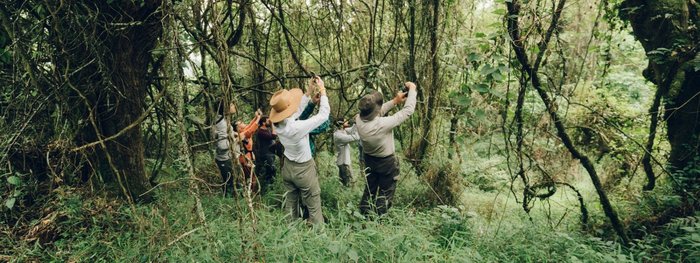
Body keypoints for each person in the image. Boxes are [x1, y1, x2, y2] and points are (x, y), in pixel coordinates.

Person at [269, 76, 330, 225]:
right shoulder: (296, 127)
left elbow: (295, 112)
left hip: (288, 168)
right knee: (314, 205)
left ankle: (291, 232)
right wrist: (323, 91)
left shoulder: (279, 125)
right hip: (304, 170)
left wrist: (309, 92)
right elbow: (323, 116)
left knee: (291, 206)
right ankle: (318, 234)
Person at [355, 82, 417, 216]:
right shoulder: (382, 124)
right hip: (386, 163)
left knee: (369, 190)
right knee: (385, 193)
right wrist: (412, 89)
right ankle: (379, 219)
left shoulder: (358, 119)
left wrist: (395, 101)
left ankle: (363, 215)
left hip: (369, 160)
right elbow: (408, 111)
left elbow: (378, 111)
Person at [212, 101, 239, 197]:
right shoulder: (222, 123)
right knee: (229, 184)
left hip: (227, 157)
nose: (234, 106)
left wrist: (233, 134)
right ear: (226, 108)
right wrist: (236, 140)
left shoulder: (222, 120)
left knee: (232, 182)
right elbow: (222, 146)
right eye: (231, 105)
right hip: (224, 159)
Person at [234, 109, 262, 194]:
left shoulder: (242, 131)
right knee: (250, 175)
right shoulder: (242, 134)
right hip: (245, 157)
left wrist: (255, 117)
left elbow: (249, 126)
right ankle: (251, 192)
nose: (243, 123)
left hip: (246, 156)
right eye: (240, 123)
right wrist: (258, 118)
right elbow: (251, 129)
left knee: (248, 175)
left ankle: (248, 191)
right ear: (238, 128)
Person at [333, 118, 359, 186]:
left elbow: (352, 130)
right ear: (341, 125)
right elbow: (356, 137)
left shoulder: (343, 131)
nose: (347, 122)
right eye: (345, 122)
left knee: (345, 183)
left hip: (345, 162)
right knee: (348, 184)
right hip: (344, 163)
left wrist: (355, 123)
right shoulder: (338, 135)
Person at [254, 116, 277, 193]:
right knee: (269, 171)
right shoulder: (261, 132)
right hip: (266, 154)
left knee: (272, 170)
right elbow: (273, 136)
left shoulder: (267, 130)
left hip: (270, 154)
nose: (269, 122)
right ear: (263, 123)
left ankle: (272, 187)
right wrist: (272, 124)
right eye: (268, 121)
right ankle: (268, 189)